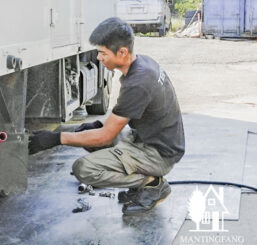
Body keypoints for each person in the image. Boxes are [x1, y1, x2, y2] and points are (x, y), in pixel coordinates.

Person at [29, 18, 184, 216]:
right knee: (89, 134)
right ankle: (141, 181)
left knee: (84, 169)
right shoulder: (143, 64)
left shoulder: (138, 82)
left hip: (158, 154)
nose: (99, 58)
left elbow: (105, 137)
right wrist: (95, 127)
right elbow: (119, 121)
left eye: (103, 53)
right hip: (149, 140)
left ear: (122, 53)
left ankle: (152, 184)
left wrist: (57, 138)